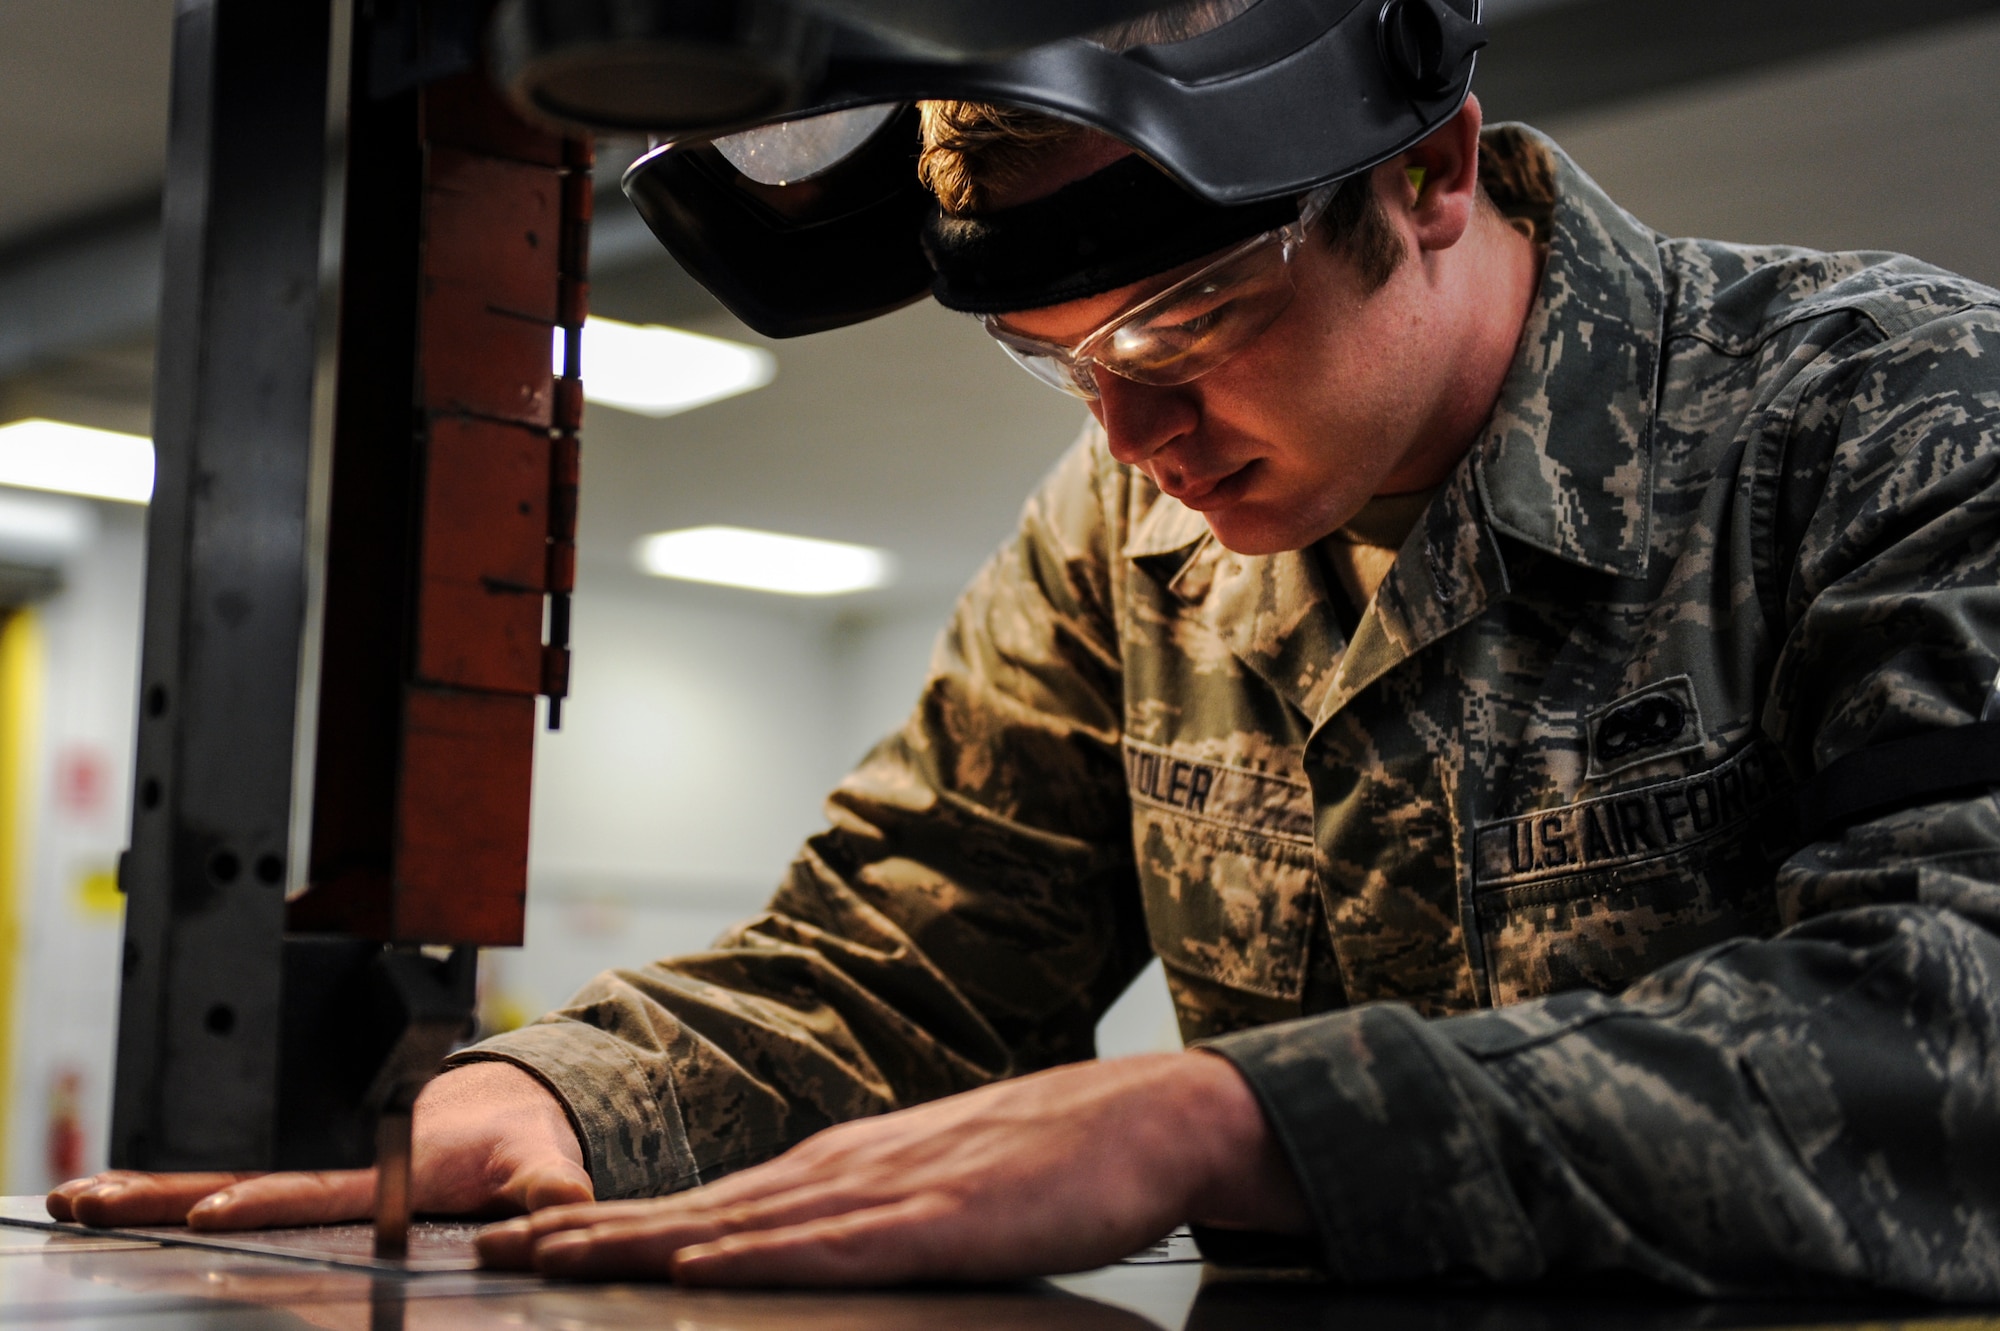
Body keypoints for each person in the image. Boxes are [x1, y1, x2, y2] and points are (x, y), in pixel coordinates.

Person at [49, 42, 2000, 1298]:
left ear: (1430, 175)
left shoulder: (1883, 416)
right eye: (1064, 363)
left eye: (1188, 318)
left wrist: (1236, 1118)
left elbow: (1954, 1021)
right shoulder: (1124, 537)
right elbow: (909, 961)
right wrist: (570, 1102)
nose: (1132, 434)